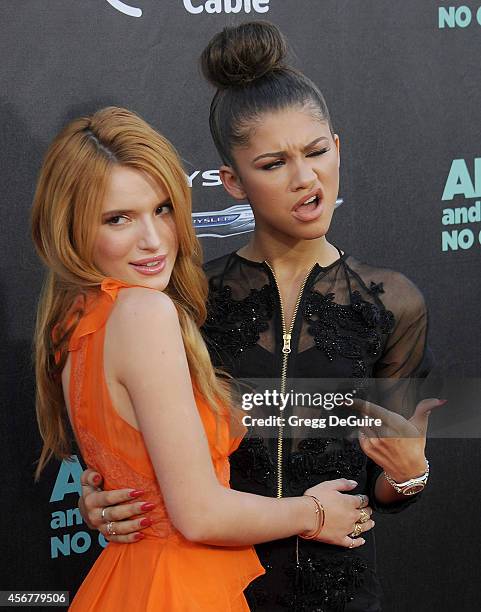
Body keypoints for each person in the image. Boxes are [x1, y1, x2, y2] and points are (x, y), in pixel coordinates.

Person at [77, 24, 442, 612]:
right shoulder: (184, 299)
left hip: (340, 591)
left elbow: (392, 488)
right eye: (274, 163)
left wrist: (411, 474)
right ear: (233, 182)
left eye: (318, 152)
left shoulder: (393, 302)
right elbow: (142, 447)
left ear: (338, 149)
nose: (306, 179)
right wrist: (103, 496)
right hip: (218, 586)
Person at [31, 106, 380, 611]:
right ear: (72, 229)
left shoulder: (75, 322)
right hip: (180, 584)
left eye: (164, 209)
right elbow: (198, 514)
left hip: (130, 581)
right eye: (118, 218)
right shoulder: (145, 313)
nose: (153, 240)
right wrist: (315, 513)